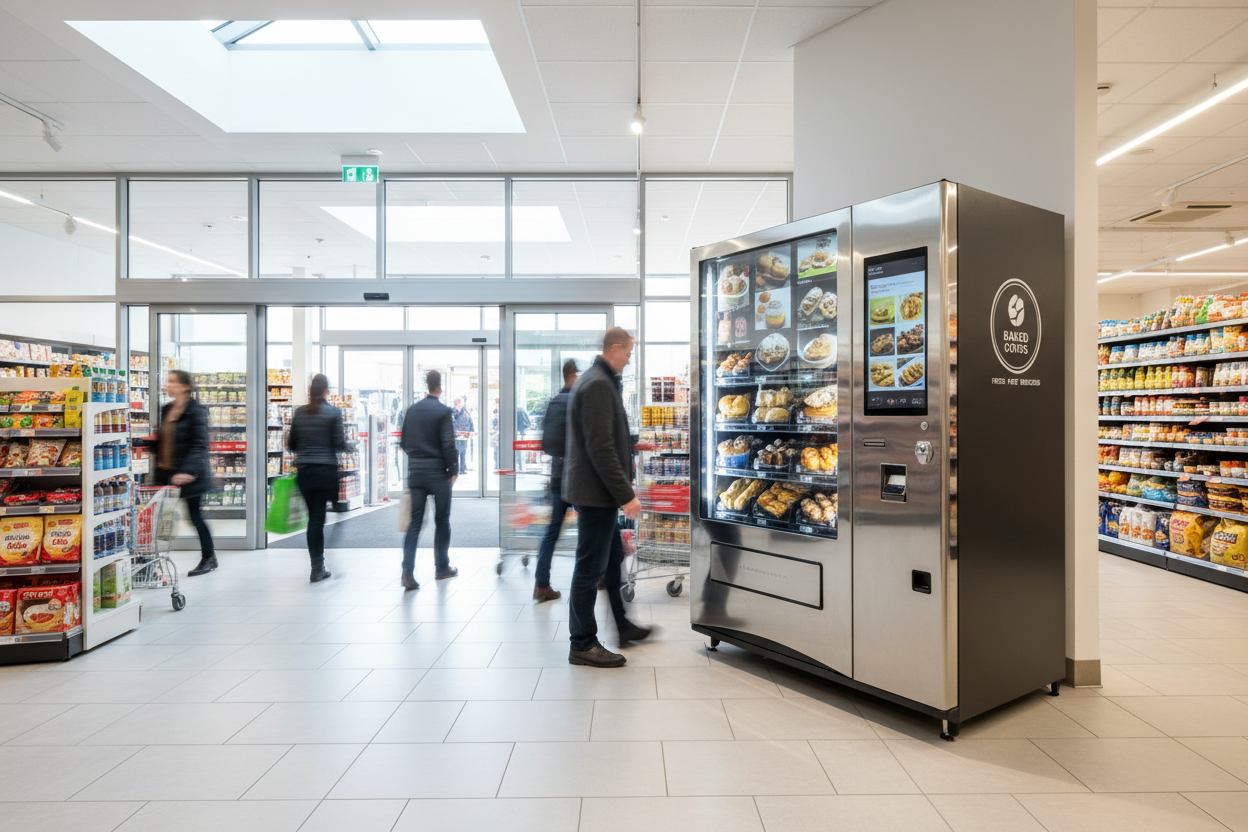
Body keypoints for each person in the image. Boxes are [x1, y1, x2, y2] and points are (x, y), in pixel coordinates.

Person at [563, 328, 651, 667]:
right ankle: (582, 643)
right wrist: (626, 494)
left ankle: (623, 625)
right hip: (596, 493)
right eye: (629, 353)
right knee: (590, 568)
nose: (630, 360)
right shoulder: (598, 384)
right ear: (615, 349)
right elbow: (600, 448)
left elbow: (606, 439)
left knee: (612, 558)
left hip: (595, 491)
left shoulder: (597, 380)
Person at [142, 370, 217, 576]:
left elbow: (200, 445)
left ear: (185, 386)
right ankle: (150, 561)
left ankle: (209, 557)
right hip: (165, 474)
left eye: (172, 381)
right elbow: (163, 439)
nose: (168, 384)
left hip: (191, 476)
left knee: (194, 516)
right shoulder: (167, 409)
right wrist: (145, 443)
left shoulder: (197, 411)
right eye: (168, 381)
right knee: (155, 520)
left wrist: (188, 471)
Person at [399, 369, 459, 589]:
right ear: (439, 387)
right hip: (438, 474)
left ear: (427, 385)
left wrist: (417, 459)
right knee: (442, 521)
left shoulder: (412, 410)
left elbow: (404, 442)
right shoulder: (443, 412)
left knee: (414, 523)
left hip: (416, 473)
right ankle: (442, 568)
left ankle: (407, 571)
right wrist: (453, 469)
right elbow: (448, 444)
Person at [287, 373, 346, 583]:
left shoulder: (300, 413)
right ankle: (318, 567)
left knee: (314, 519)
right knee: (319, 519)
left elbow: (291, 444)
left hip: (305, 473)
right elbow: (339, 443)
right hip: (325, 472)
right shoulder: (333, 413)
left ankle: (316, 565)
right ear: (326, 391)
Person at [533, 359, 578, 603]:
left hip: (558, 474)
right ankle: (602, 575)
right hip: (579, 476)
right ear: (573, 374)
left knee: (552, 530)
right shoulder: (576, 401)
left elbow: (545, 444)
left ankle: (541, 584)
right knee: (594, 527)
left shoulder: (553, 402)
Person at [452, 397, 474, 473]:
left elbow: (470, 421)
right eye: (457, 403)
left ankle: (462, 468)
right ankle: (456, 468)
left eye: (459, 402)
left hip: (464, 436)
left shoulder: (466, 412)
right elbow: (452, 421)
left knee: (463, 452)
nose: (458, 404)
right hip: (456, 437)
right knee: (456, 453)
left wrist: (471, 431)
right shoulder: (452, 412)